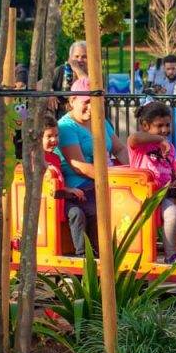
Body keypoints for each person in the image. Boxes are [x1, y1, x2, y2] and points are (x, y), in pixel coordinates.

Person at [57, 77, 130, 255]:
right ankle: (95, 254)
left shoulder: (101, 121)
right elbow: (79, 166)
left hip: (107, 179)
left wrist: (134, 172)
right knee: (106, 208)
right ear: (72, 100)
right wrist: (114, 178)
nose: (91, 107)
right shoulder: (66, 127)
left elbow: (120, 149)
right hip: (83, 185)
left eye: (96, 102)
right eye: (87, 102)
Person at [128, 99, 176, 264]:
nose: (165, 130)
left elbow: (172, 172)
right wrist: (159, 141)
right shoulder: (139, 147)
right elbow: (134, 137)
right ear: (145, 126)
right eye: (159, 126)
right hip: (150, 198)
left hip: (169, 194)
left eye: (167, 125)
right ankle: (171, 255)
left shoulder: (170, 148)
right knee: (174, 215)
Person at [39, 110, 87, 255]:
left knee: (87, 208)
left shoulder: (55, 158)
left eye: (56, 135)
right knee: (76, 213)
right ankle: (82, 253)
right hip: (47, 203)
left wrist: (69, 189)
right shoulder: (36, 159)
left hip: (59, 200)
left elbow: (58, 183)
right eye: (49, 136)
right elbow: (48, 186)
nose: (54, 140)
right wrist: (68, 191)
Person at [50, 40, 88, 111]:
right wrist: (49, 91)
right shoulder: (61, 70)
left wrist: (77, 69)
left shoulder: (93, 73)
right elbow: (39, 84)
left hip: (85, 114)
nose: (80, 60)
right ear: (70, 58)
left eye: (84, 57)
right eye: (76, 56)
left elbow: (88, 86)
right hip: (60, 114)